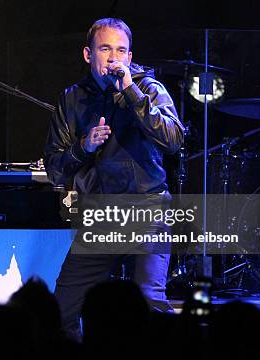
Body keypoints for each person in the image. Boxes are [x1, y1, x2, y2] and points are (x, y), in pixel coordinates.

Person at [44, 18, 184, 338]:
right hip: (101, 213)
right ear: (88, 54)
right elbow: (54, 167)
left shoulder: (147, 88)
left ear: (130, 59)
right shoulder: (72, 98)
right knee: (63, 308)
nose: (113, 57)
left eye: (121, 50)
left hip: (148, 207)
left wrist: (131, 92)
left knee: (150, 303)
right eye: (105, 48)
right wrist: (84, 147)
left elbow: (174, 139)